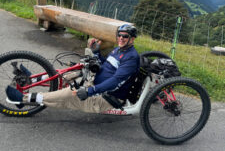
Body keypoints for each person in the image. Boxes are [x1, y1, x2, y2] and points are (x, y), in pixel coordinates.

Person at [6, 24, 140, 113]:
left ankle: (22, 99)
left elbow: (116, 81)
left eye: (125, 36)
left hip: (105, 98)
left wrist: (90, 91)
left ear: (132, 39)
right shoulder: (118, 50)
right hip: (95, 83)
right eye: (119, 35)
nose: (121, 38)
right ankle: (30, 80)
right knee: (67, 75)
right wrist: (97, 53)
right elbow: (106, 66)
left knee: (68, 94)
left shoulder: (131, 58)